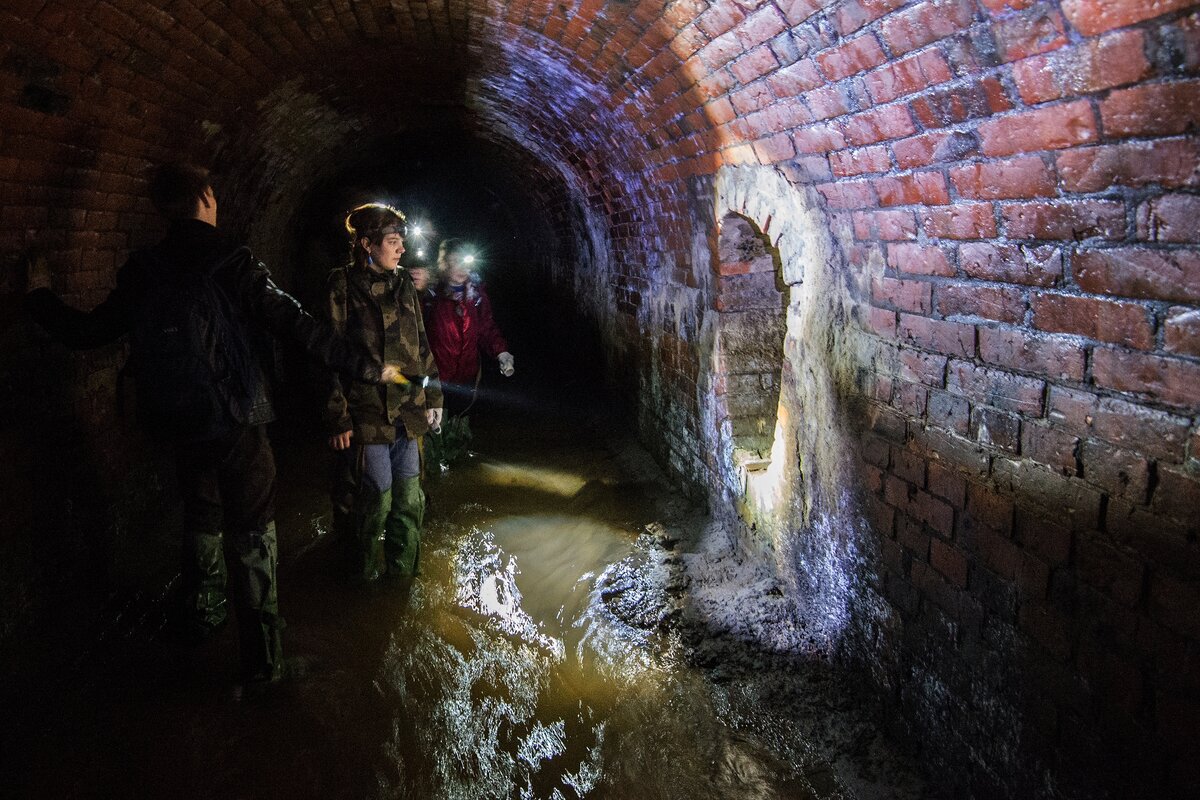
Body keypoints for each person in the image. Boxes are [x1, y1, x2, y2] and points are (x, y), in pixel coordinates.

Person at [24, 162, 402, 687]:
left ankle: (202, 615)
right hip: (237, 417)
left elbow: (89, 332)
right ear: (204, 196)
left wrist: (39, 294)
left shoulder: (142, 269)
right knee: (252, 525)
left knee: (201, 512)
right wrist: (365, 367)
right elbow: (294, 323)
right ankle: (263, 662)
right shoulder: (231, 258)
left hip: (177, 419)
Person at [320, 204, 442, 584]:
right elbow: (327, 353)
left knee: (409, 501)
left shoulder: (403, 282)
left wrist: (434, 395)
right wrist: (337, 415)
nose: (401, 249)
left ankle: (402, 577)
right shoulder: (340, 285)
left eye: (401, 241)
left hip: (407, 411)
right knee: (374, 501)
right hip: (366, 412)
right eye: (393, 242)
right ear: (366, 244)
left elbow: (420, 343)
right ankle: (361, 578)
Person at [421, 238, 514, 465]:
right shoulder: (429, 295)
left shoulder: (476, 296)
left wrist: (501, 352)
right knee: (431, 432)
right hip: (435, 378)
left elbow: (485, 328)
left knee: (459, 432)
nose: (463, 269)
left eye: (466, 262)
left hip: (466, 376)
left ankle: (455, 470)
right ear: (444, 263)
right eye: (455, 262)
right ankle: (433, 471)